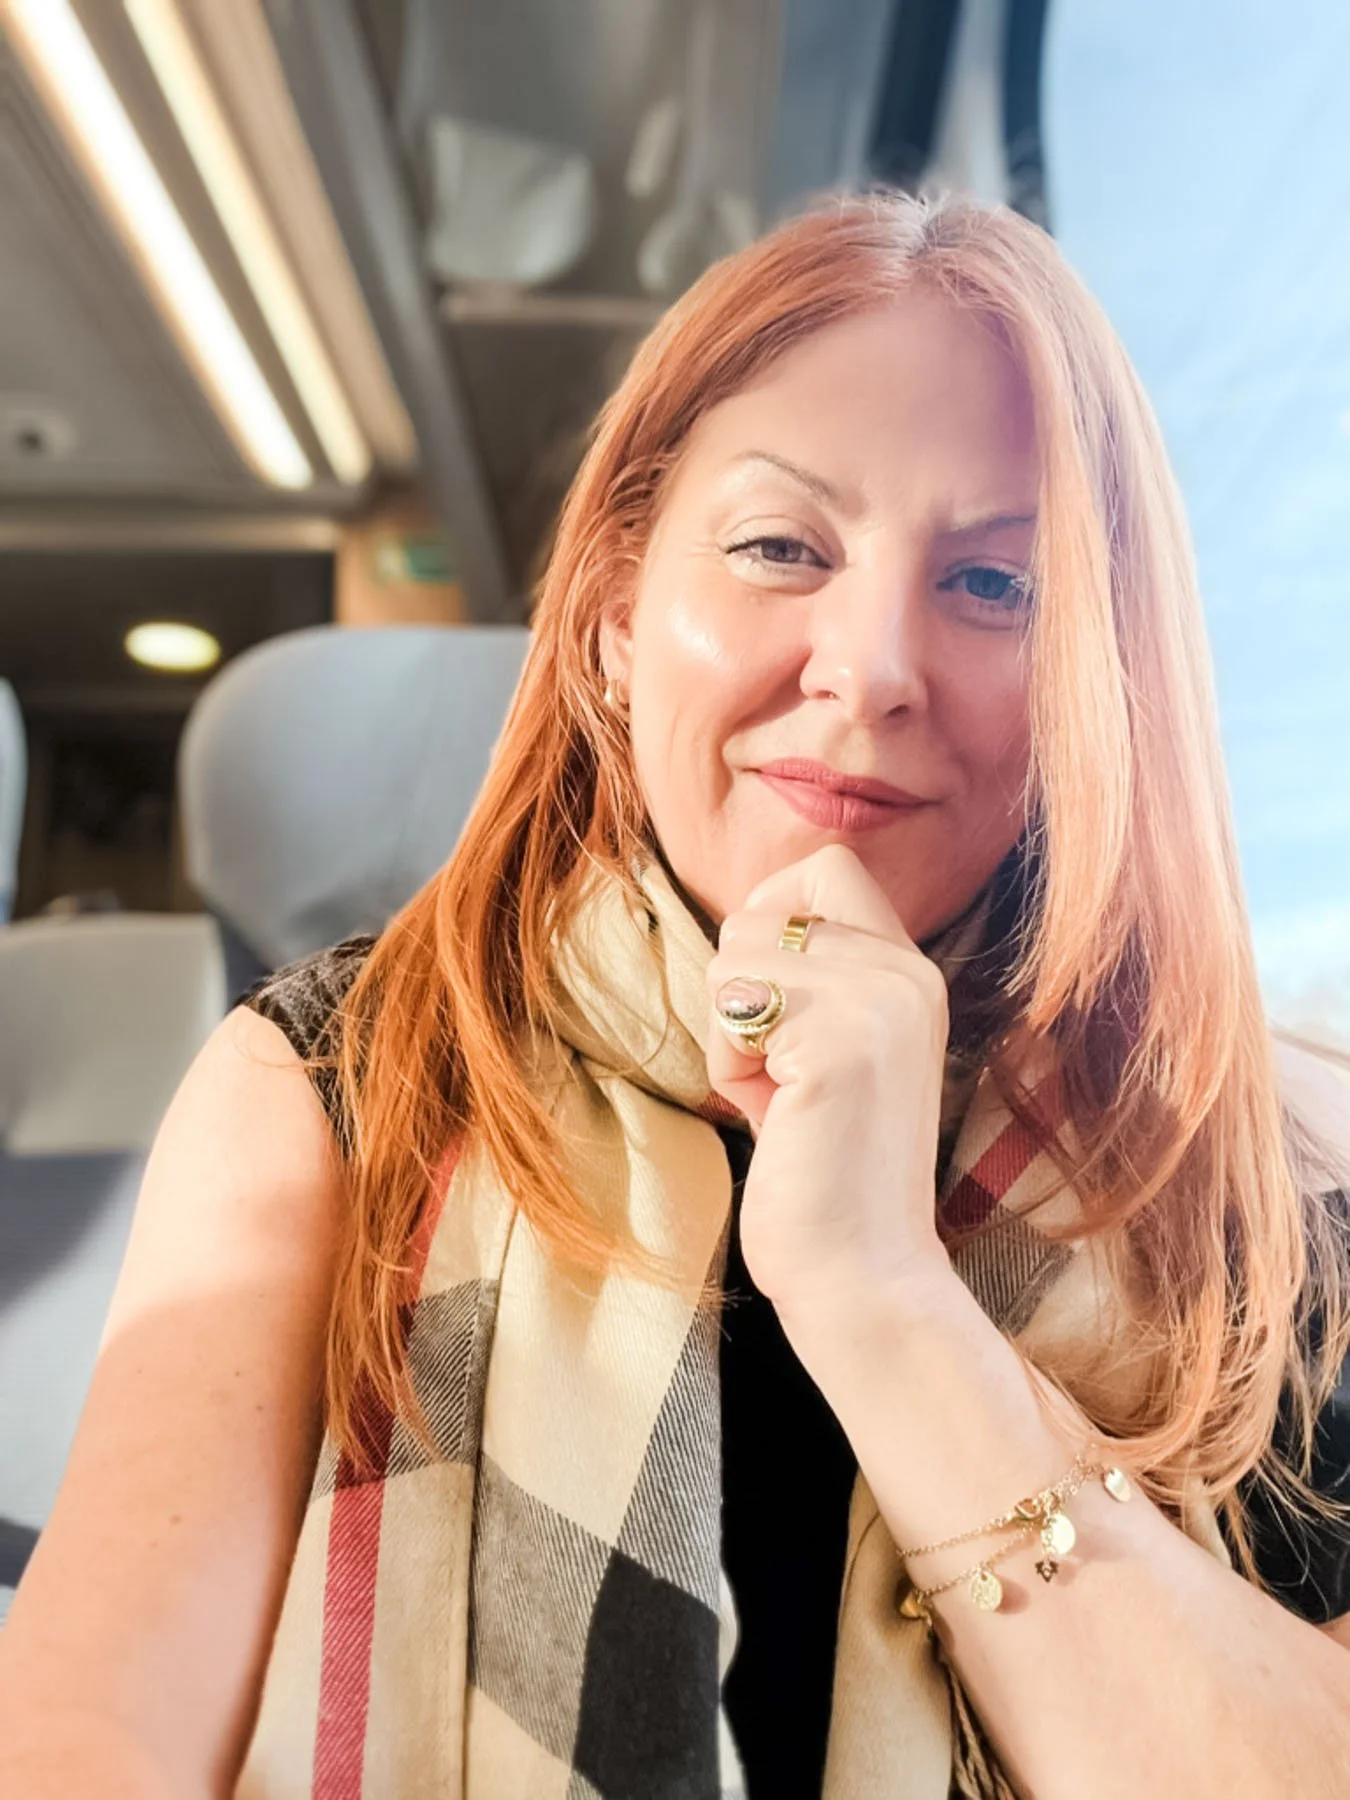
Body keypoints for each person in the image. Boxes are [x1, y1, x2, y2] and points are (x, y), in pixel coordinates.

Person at [1, 190, 1348, 1800]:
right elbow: (87, 1750)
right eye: (782, 547)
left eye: (994, 587)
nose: (872, 666)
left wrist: (876, 1294)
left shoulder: (1259, 1181)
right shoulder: (335, 1081)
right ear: (615, 614)